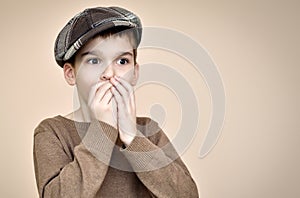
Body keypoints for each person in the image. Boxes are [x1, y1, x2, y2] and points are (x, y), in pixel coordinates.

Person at [33, 6, 199, 198]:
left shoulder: (148, 130)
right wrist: (103, 130)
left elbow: (188, 195)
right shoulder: (53, 132)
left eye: (122, 61)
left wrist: (132, 137)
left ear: (135, 73)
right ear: (71, 74)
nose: (110, 74)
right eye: (94, 61)